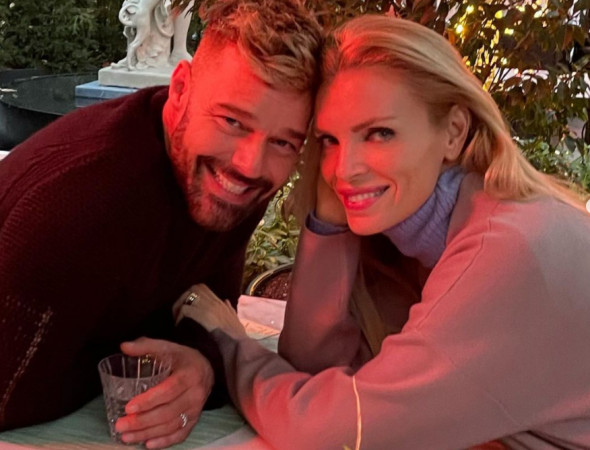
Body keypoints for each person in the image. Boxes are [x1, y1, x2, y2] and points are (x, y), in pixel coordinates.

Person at [177, 14, 590, 450]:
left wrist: (231, 343)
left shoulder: (505, 251)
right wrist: (330, 219)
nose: (345, 169)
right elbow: (313, 370)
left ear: (454, 132)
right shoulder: (412, 236)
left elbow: (332, 433)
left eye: (379, 133)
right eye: (330, 140)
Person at [0, 0, 322, 446]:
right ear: (181, 89)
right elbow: (12, 394)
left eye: (284, 143)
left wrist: (202, 364)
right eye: (232, 120)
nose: (250, 164)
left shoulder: (221, 178)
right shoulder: (86, 199)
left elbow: (209, 305)